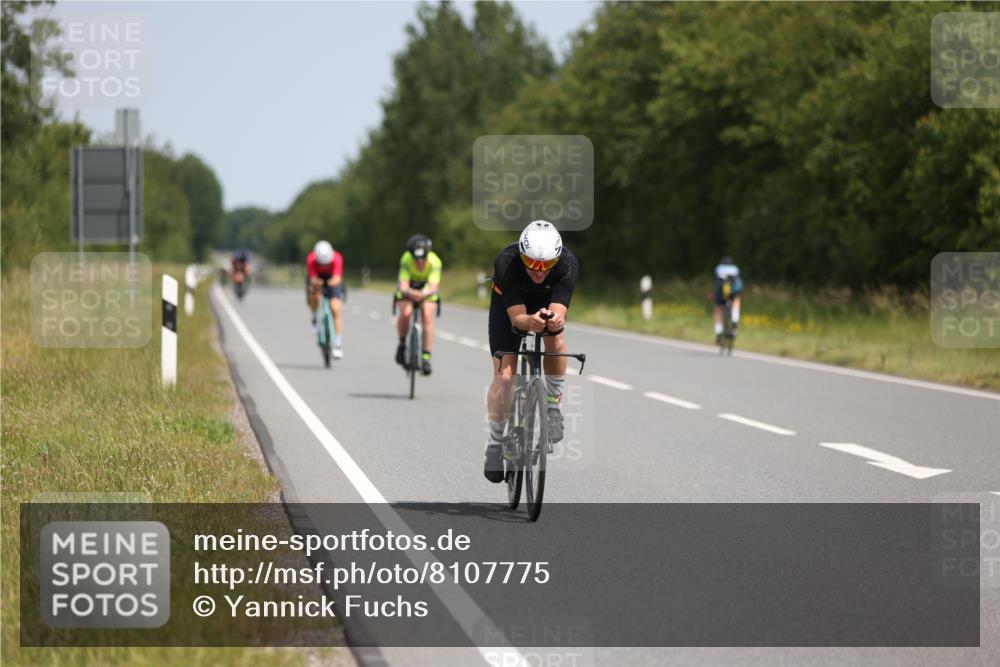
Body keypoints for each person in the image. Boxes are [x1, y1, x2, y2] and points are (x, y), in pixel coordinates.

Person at [483, 220, 578, 483]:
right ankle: (495, 441)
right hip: (508, 305)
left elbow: (559, 312)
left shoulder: (568, 264)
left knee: (556, 339)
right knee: (504, 377)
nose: (539, 271)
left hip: (545, 301)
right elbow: (517, 319)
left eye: (547, 264)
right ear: (522, 255)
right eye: (532, 263)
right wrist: (529, 321)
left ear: (556, 259)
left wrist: (554, 321)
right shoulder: (507, 261)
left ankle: (553, 405)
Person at [395, 234, 442, 375]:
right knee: (406, 313)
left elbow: (433, 286)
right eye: (416, 258)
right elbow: (403, 285)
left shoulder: (435, 261)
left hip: (427, 290)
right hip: (408, 289)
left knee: (427, 315)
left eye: (423, 258)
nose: (420, 261)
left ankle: (426, 356)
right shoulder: (406, 259)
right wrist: (410, 292)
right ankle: (402, 344)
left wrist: (423, 293)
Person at [306, 240, 345, 359]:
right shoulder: (311, 259)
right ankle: (314, 317)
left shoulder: (337, 258)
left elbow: (337, 278)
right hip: (317, 279)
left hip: (332, 280)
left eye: (326, 264)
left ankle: (338, 344)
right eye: (321, 264)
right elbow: (313, 278)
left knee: (336, 309)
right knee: (315, 296)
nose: (324, 266)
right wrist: (317, 283)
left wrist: (329, 284)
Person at [713, 255, 743, 342]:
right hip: (733, 291)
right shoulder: (735, 269)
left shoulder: (718, 268)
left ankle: (718, 331)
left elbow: (715, 281)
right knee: (736, 300)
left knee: (718, 309)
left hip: (721, 292)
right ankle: (735, 319)